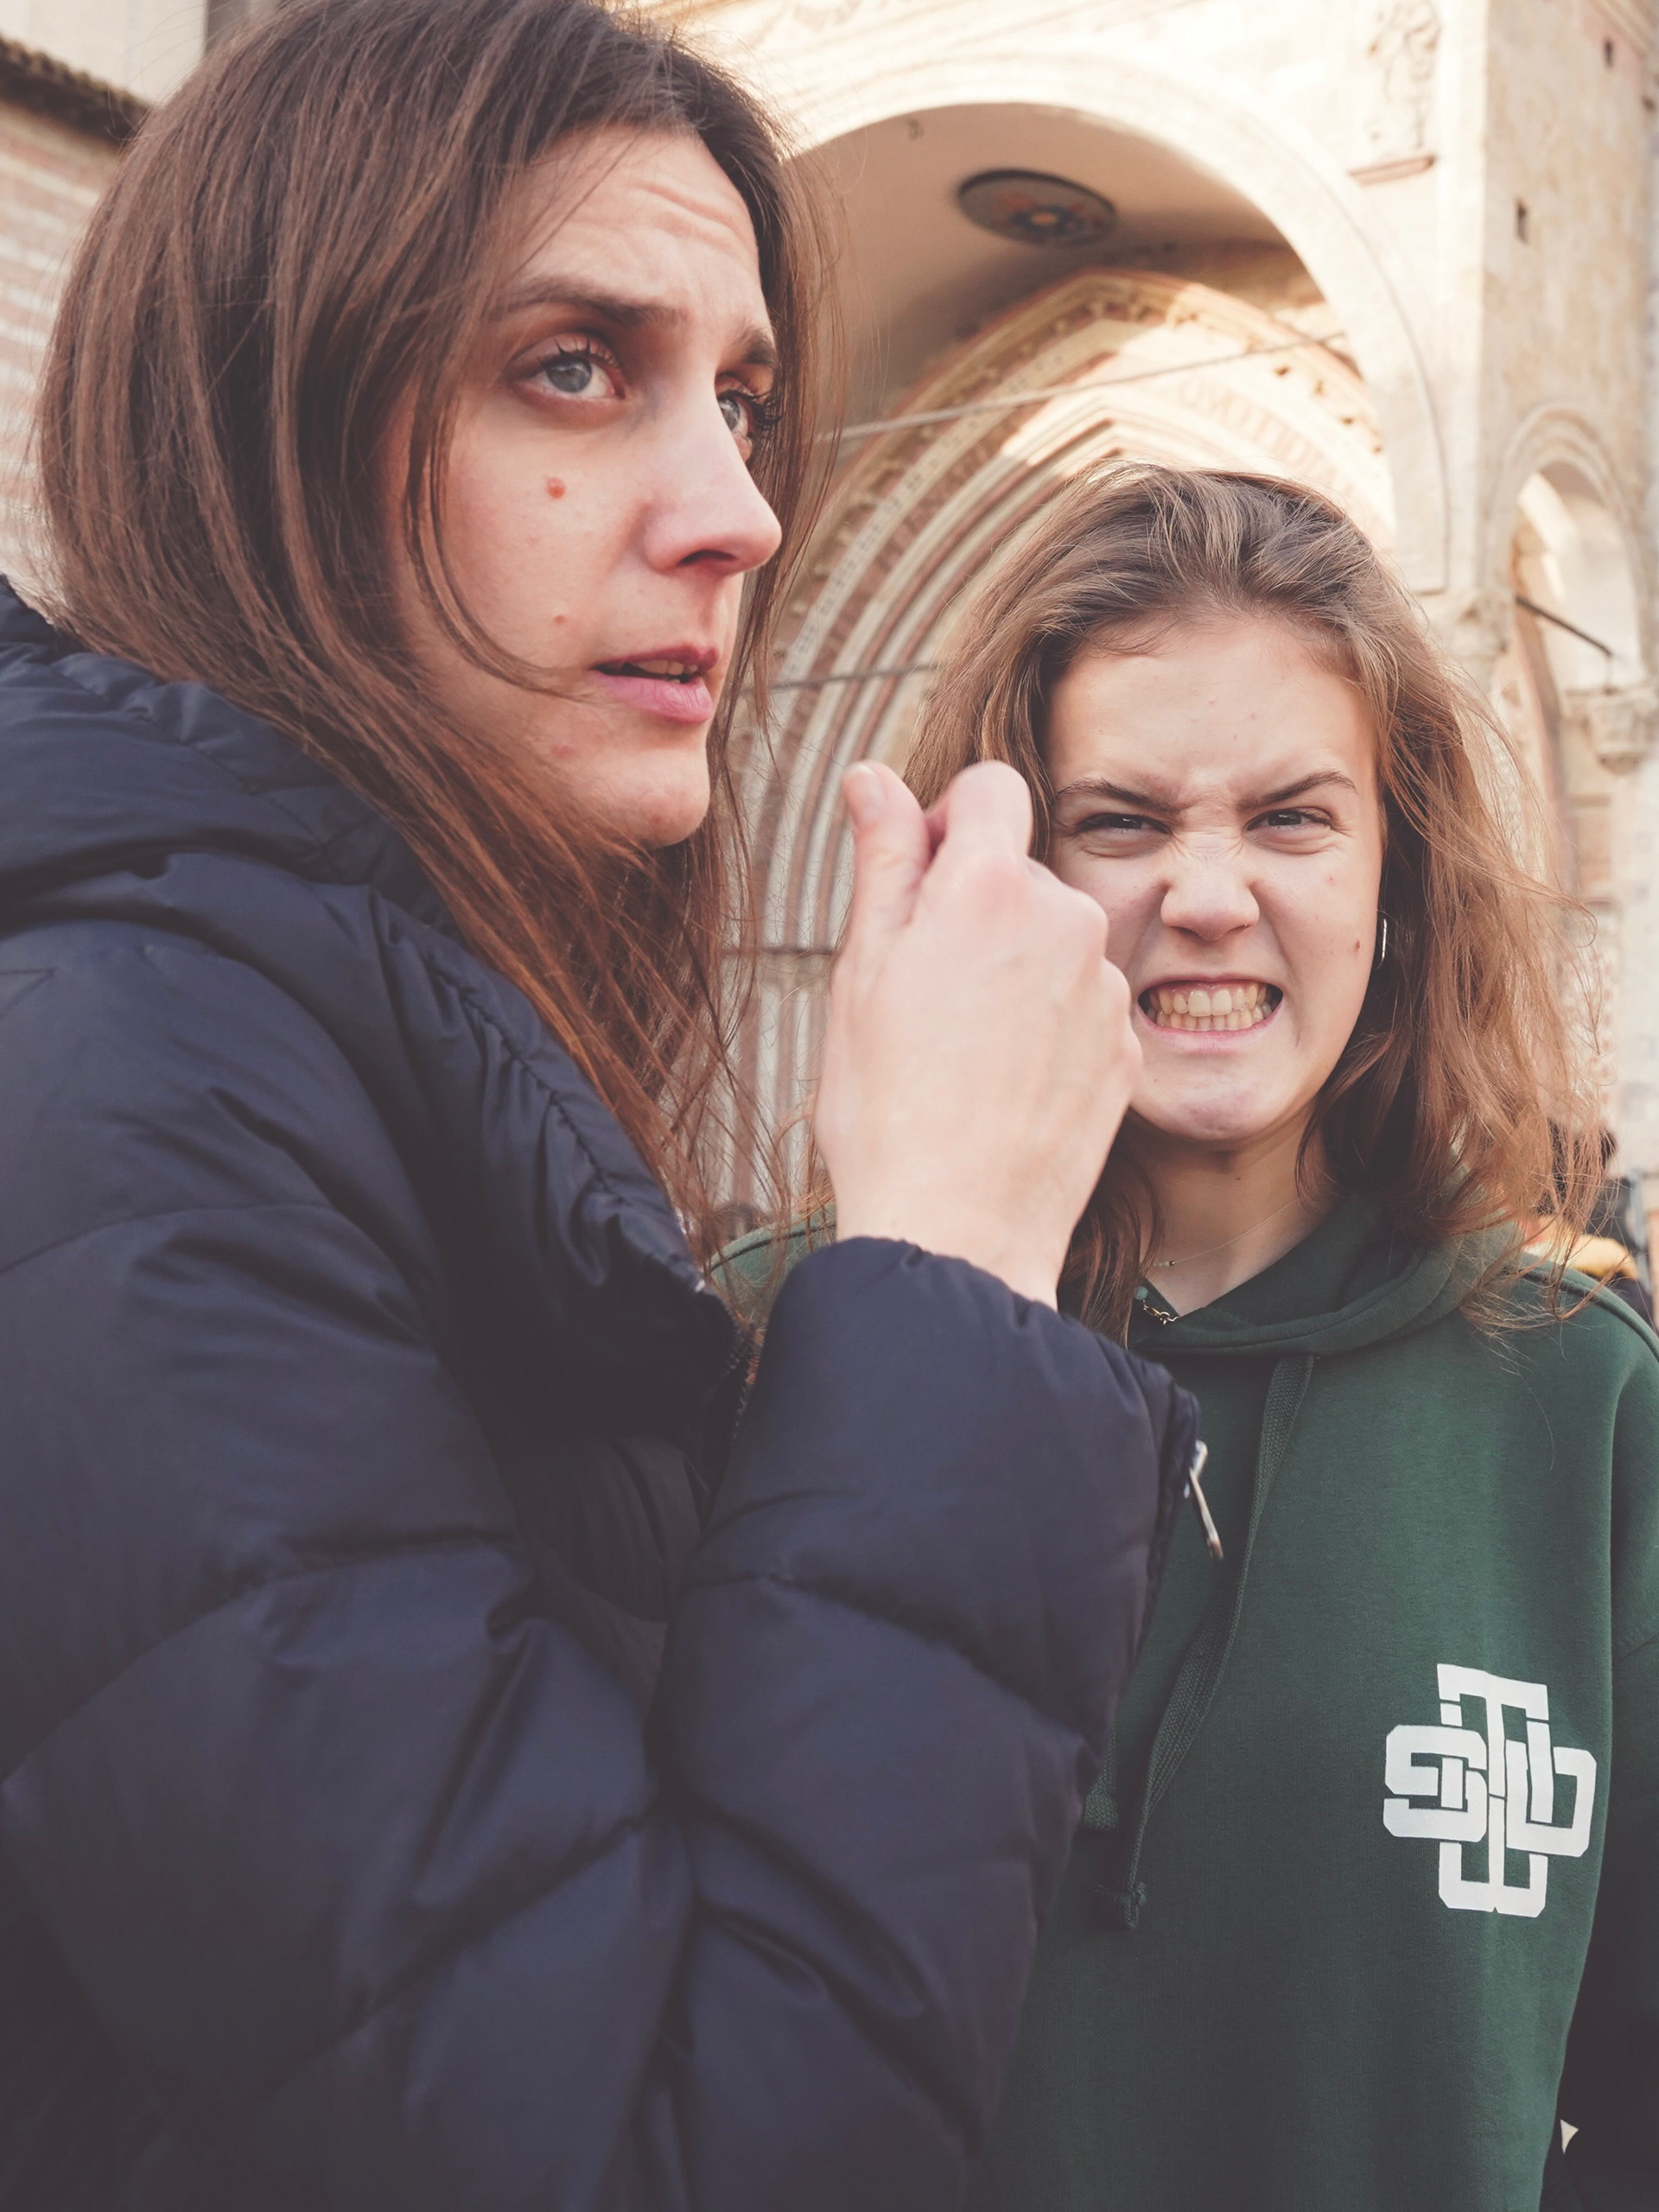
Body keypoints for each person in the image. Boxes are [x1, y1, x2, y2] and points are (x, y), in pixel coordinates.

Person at [0, 9, 1192, 2206]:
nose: (742, 513)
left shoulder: (302, 1051)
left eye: (740, 398)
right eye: (572, 366)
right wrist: (946, 1252)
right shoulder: (122, 1112)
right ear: (274, 421)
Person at [734, 464, 1659, 2211]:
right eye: (1123, 821)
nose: (1210, 894)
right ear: (1013, 867)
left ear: (1397, 884)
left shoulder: (1584, 1400)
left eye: (1294, 818)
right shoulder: (789, 1346)